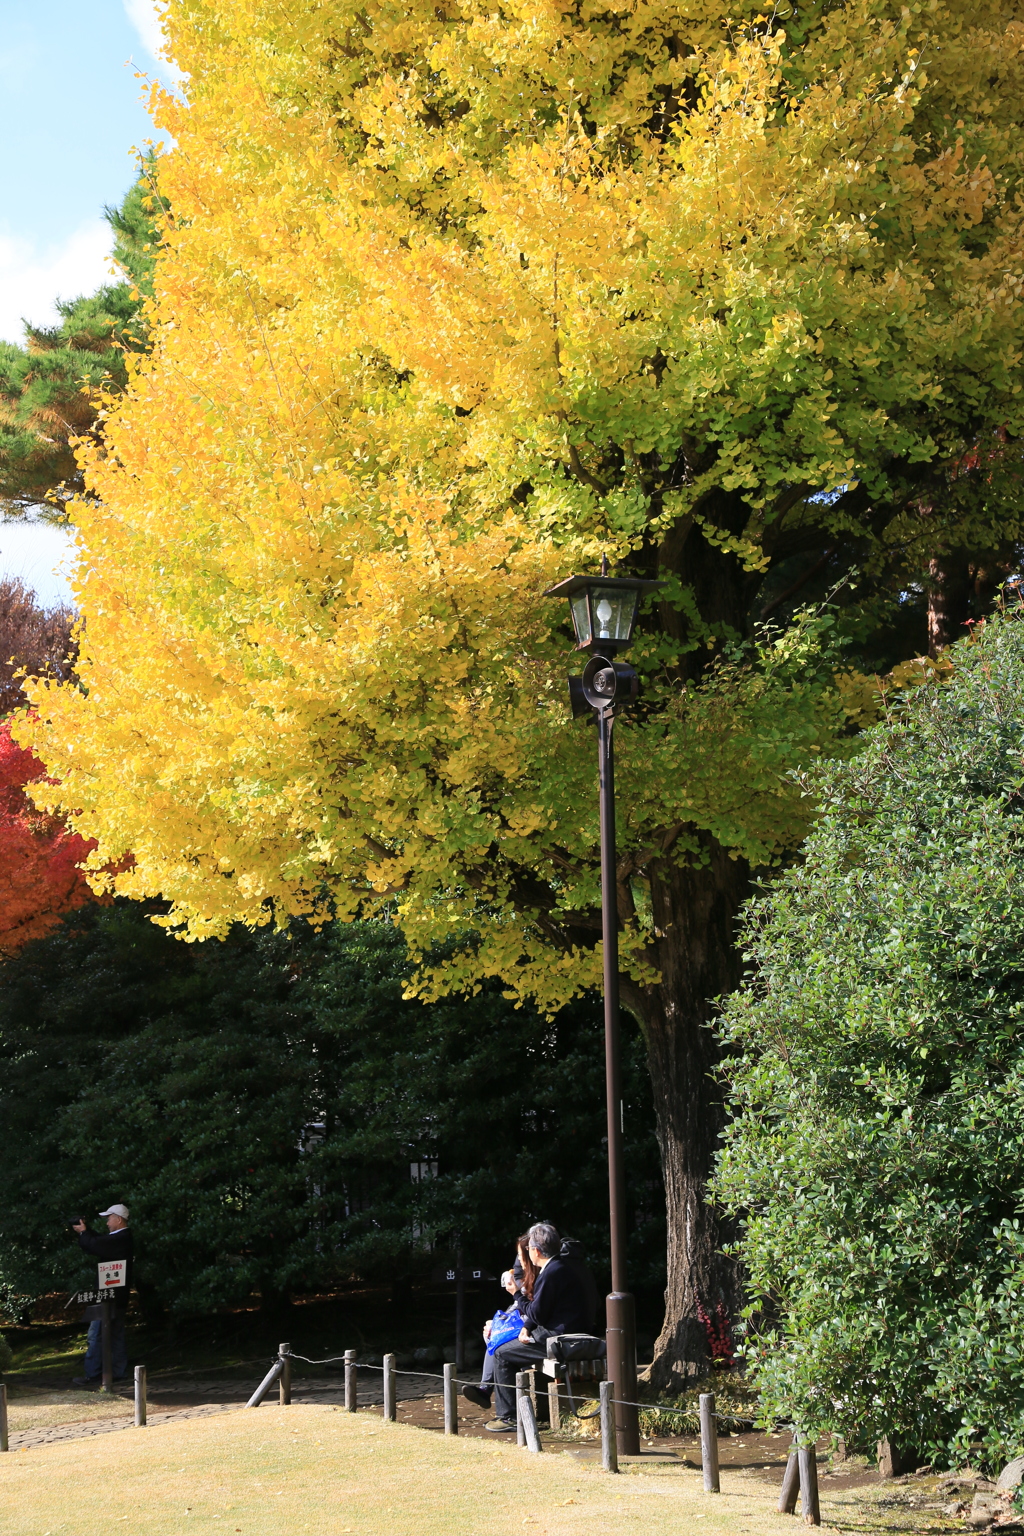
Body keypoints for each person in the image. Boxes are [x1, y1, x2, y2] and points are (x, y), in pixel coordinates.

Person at [486, 1221, 598, 1432]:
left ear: (535, 1251)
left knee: (501, 1353)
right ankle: (515, 1411)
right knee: (509, 1346)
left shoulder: (551, 1272)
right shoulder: (563, 1267)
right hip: (568, 1331)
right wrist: (527, 1326)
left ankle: (507, 1417)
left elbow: (537, 1312)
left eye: (528, 1249)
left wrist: (516, 1294)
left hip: (560, 1337)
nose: (527, 1253)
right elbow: (541, 1310)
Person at [462, 1233, 538, 1413]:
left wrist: (517, 1295)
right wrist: (498, 1323)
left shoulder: (543, 1277)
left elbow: (533, 1311)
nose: (518, 1260)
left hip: (537, 1335)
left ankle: (503, 1410)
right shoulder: (526, 1275)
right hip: (528, 1328)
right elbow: (518, 1306)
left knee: (500, 1346)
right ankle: (487, 1391)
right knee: (494, 1333)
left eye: (521, 1255)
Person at [71, 1203, 134, 1387]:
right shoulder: (123, 1238)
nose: (107, 1222)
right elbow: (99, 1242)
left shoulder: (120, 1238)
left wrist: (84, 1233)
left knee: (97, 1334)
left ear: (118, 1219)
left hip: (108, 1297)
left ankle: (93, 1374)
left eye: (109, 1218)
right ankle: (118, 1373)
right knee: (116, 1334)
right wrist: (86, 1231)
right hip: (117, 1296)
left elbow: (96, 1245)